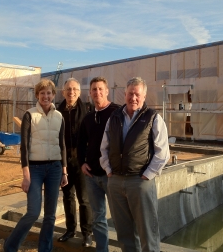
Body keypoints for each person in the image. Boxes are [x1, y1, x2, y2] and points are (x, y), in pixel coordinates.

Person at [100, 76, 170, 252]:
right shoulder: (114, 118)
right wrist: (108, 170)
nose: (133, 98)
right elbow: (104, 147)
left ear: (144, 96)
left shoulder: (153, 118)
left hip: (140, 182)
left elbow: (163, 152)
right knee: (124, 234)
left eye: (137, 94)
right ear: (125, 94)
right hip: (115, 181)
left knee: (148, 233)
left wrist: (148, 174)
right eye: (130, 94)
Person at [4, 78, 68, 252]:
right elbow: (24, 146)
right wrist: (26, 175)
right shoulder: (29, 115)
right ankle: (10, 246)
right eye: (42, 93)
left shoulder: (59, 116)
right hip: (35, 169)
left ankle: (45, 249)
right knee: (33, 212)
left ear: (53, 95)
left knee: (50, 215)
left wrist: (64, 172)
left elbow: (61, 145)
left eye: (48, 93)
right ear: (37, 95)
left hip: (55, 168)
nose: (45, 96)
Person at [77, 77, 120, 252]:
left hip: (112, 176)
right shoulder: (88, 118)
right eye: (94, 89)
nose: (97, 92)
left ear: (107, 91)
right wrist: (82, 163)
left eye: (100, 89)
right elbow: (81, 143)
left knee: (120, 216)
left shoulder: (117, 112)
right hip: (92, 176)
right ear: (90, 93)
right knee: (98, 217)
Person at [57, 78, 93, 247]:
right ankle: (70, 229)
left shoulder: (87, 109)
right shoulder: (57, 111)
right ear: (63, 92)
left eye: (74, 89)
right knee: (67, 197)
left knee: (84, 199)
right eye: (68, 89)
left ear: (79, 92)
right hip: (64, 162)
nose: (71, 92)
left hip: (81, 163)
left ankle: (87, 233)